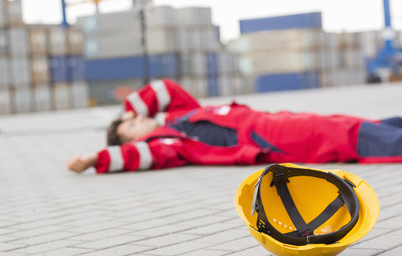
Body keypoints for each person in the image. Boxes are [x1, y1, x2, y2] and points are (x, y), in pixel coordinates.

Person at [67, 79, 402, 174]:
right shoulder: (168, 142)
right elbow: (141, 156)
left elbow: (163, 89)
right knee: (343, 137)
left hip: (276, 121)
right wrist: (98, 158)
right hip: (269, 137)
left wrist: (127, 111)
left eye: (134, 118)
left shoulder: (180, 115)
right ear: (130, 142)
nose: (138, 120)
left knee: (355, 124)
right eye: (131, 127)